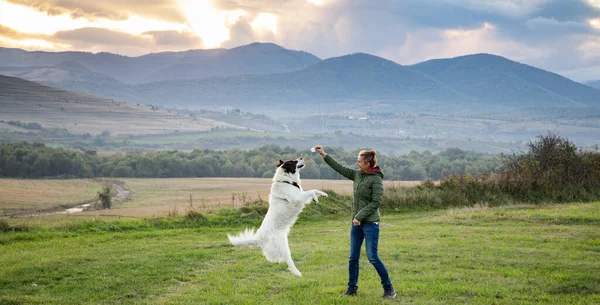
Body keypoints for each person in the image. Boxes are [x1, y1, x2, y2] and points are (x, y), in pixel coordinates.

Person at [313, 145, 396, 298]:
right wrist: (323, 154)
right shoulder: (357, 175)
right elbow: (338, 167)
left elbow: (375, 202)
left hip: (370, 223)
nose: (357, 164)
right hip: (356, 224)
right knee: (353, 257)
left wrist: (359, 216)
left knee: (372, 257)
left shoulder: (376, 179)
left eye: (359, 161)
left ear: (368, 164)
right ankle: (352, 288)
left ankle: (389, 288)